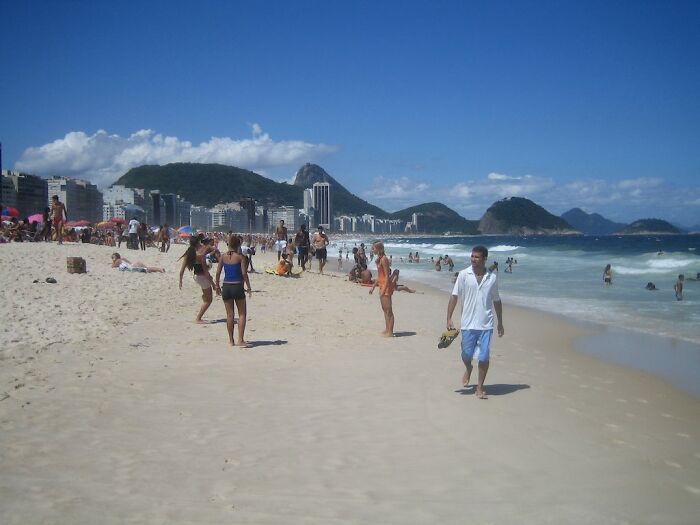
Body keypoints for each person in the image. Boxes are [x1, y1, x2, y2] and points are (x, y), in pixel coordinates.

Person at [446, 245, 504, 400]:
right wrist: (449, 318)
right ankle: (468, 367)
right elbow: (454, 296)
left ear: (485, 259)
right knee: (466, 355)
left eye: (477, 257)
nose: (473, 259)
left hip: (486, 324)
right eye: (472, 256)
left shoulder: (492, 277)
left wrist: (500, 322)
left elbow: (497, 300)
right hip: (468, 323)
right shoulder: (464, 275)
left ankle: (480, 387)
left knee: (484, 357)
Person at [215, 235, 252, 347]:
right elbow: (244, 274)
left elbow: (217, 273)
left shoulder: (222, 257)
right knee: (242, 314)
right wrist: (249, 287)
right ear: (238, 245)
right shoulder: (241, 257)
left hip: (226, 286)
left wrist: (217, 286)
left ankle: (231, 341)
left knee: (229, 315)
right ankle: (240, 340)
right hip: (237, 286)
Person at [179, 236, 216, 324]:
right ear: (198, 243)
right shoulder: (200, 255)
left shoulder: (189, 254)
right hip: (203, 277)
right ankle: (198, 318)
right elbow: (206, 272)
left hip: (197, 277)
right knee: (209, 300)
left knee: (206, 296)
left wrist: (180, 281)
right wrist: (213, 284)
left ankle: (204, 297)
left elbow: (182, 270)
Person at [369, 241, 395, 337]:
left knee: (388, 310)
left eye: (374, 248)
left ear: (379, 249)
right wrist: (373, 287)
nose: (373, 250)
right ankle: (387, 329)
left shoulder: (384, 259)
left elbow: (387, 276)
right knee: (384, 309)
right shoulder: (379, 259)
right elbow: (380, 276)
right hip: (381, 285)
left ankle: (390, 332)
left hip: (385, 286)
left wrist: (384, 290)